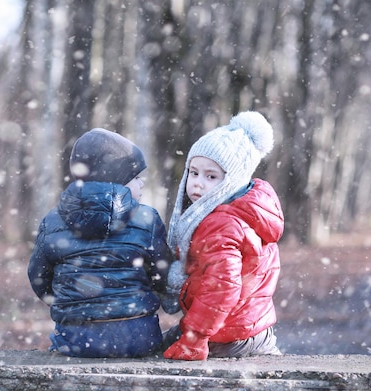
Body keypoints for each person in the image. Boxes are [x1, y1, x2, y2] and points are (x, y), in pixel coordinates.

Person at [27, 128, 173, 358]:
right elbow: (161, 274)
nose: (143, 183)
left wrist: (69, 304)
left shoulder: (52, 220)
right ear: (117, 179)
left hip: (75, 339)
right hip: (137, 335)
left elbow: (39, 277)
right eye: (136, 177)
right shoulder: (147, 219)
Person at [162, 111, 284, 361]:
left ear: (233, 180)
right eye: (193, 173)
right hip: (247, 324)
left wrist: (194, 339)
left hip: (231, 335)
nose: (197, 183)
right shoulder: (242, 209)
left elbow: (222, 287)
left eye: (211, 176)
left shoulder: (221, 224)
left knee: (152, 353)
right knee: (157, 342)